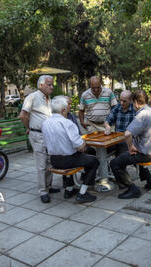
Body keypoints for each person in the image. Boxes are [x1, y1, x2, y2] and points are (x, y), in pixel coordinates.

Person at [110, 90, 151, 199]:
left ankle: (132, 189)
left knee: (115, 163)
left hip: (148, 154)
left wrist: (130, 147)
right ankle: (150, 182)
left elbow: (127, 134)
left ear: (136, 102)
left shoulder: (142, 114)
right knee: (135, 152)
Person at [42, 96, 99, 203]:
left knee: (81, 157)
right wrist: (84, 143)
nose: (69, 108)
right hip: (68, 160)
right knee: (94, 161)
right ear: (63, 109)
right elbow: (80, 146)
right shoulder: (67, 123)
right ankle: (82, 193)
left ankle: (69, 189)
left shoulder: (45, 123)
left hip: (54, 160)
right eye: (68, 106)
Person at [104, 90, 151, 187]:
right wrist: (107, 126)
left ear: (131, 100)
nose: (121, 103)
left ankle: (125, 183)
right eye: (120, 100)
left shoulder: (136, 110)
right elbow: (107, 120)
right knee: (102, 151)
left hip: (131, 141)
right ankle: (108, 177)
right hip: (117, 140)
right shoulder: (118, 107)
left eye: (124, 101)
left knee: (123, 157)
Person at [20, 75, 58, 203]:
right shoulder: (32, 97)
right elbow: (23, 115)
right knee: (41, 165)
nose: (52, 87)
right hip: (38, 135)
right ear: (41, 85)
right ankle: (43, 191)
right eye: (49, 84)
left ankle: (49, 186)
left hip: (49, 135)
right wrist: (29, 128)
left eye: (52, 84)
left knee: (49, 161)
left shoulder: (48, 98)